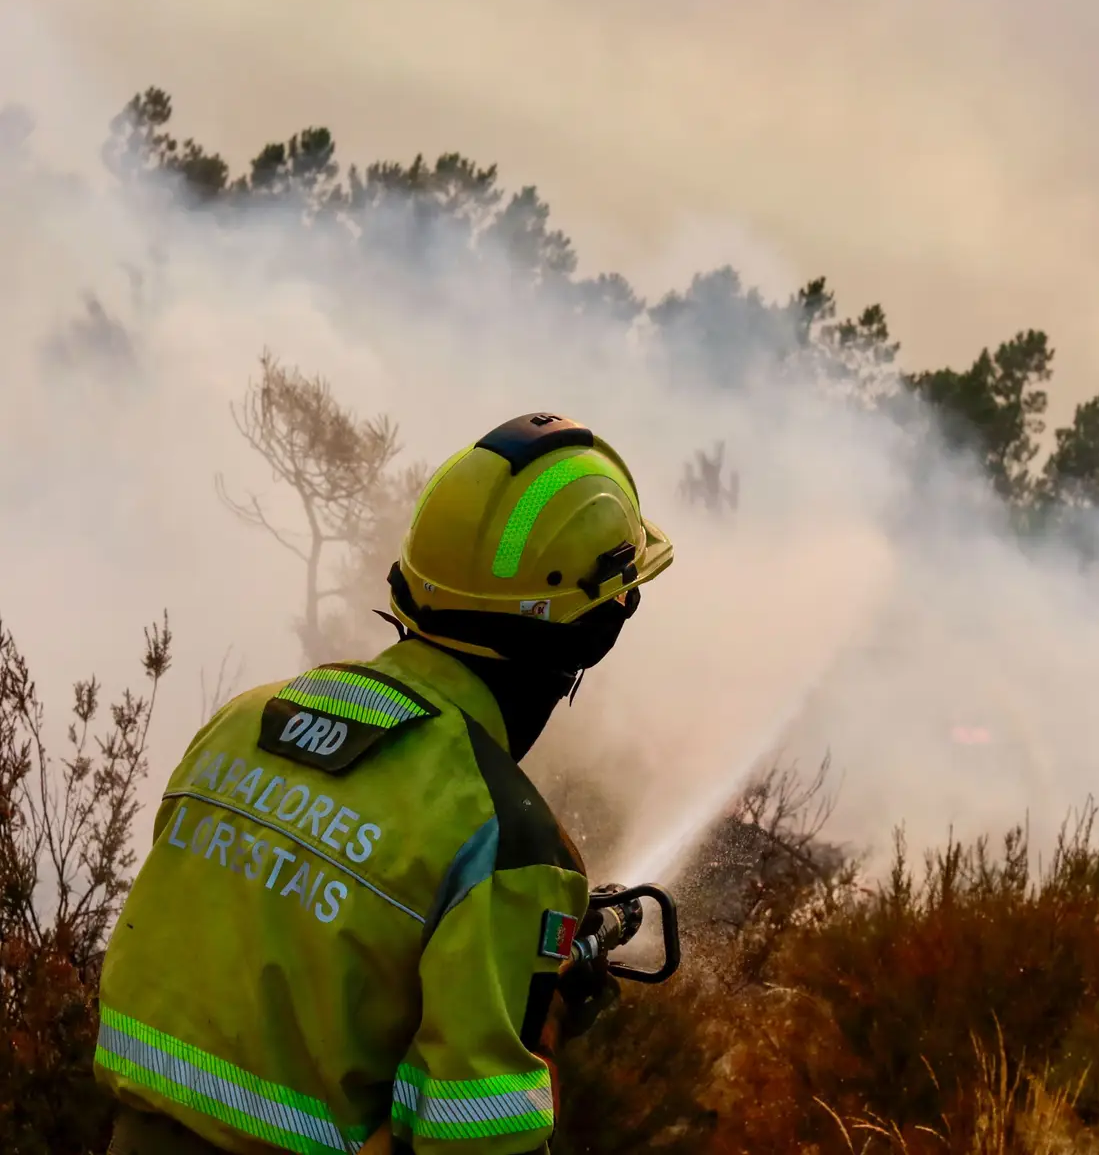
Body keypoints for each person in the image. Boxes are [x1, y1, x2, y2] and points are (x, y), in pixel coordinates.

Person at [95, 412, 674, 1155]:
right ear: (596, 629)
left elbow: (289, 976)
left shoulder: (244, 723)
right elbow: (476, 1144)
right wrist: (543, 1025)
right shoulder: (505, 838)